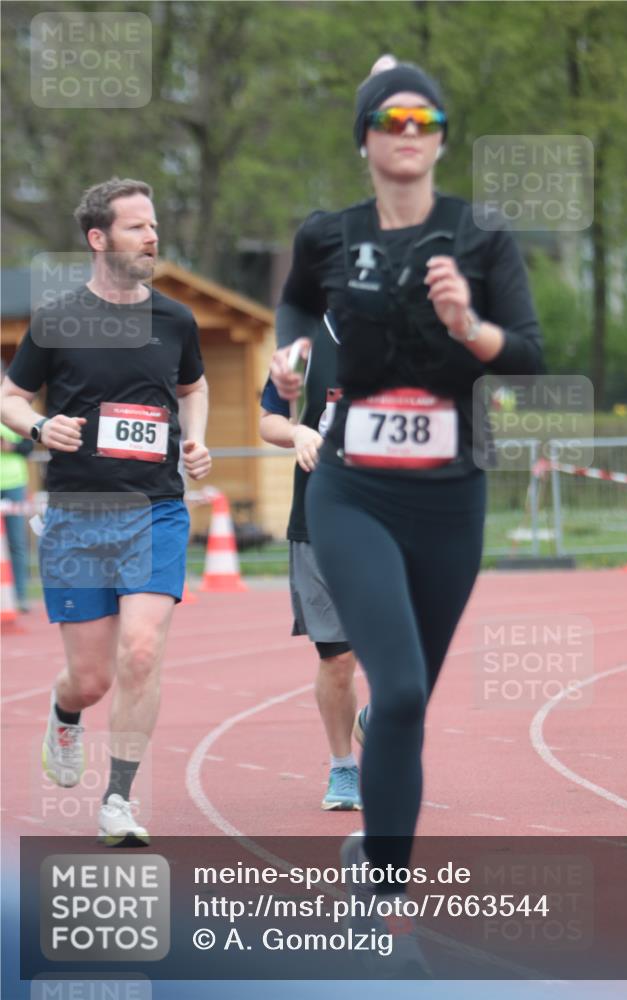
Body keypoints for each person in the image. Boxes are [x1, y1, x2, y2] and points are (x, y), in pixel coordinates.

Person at [271, 56, 543, 973]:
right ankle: (385, 906)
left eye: (422, 119)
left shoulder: (481, 236)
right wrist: (289, 361)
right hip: (353, 490)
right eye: (389, 118)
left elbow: (528, 358)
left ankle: (370, 864)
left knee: (405, 704)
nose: (406, 132)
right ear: (364, 139)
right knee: (405, 687)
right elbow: (295, 305)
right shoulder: (327, 236)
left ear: (439, 138)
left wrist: (471, 327)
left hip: (451, 494)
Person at [0, 178, 211, 844]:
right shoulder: (58, 319)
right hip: (78, 512)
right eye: (136, 227)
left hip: (155, 509)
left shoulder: (175, 319)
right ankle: (65, 716)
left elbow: (194, 385)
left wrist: (197, 435)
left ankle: (118, 800)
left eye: (153, 226)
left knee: (141, 652)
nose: (152, 237)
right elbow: (9, 396)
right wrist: (37, 428)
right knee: (90, 679)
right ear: (98, 238)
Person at [259, 316, 369, 811]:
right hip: (319, 520)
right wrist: (298, 433)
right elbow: (268, 420)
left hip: (395, 519)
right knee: (338, 659)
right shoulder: (304, 347)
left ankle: (378, 718)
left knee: (410, 649)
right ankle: (343, 767)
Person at [0, 407, 34, 613]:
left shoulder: (13, 409)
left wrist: (11, 446)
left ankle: (20, 596)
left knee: (17, 542)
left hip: (14, 484)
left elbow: (29, 445)